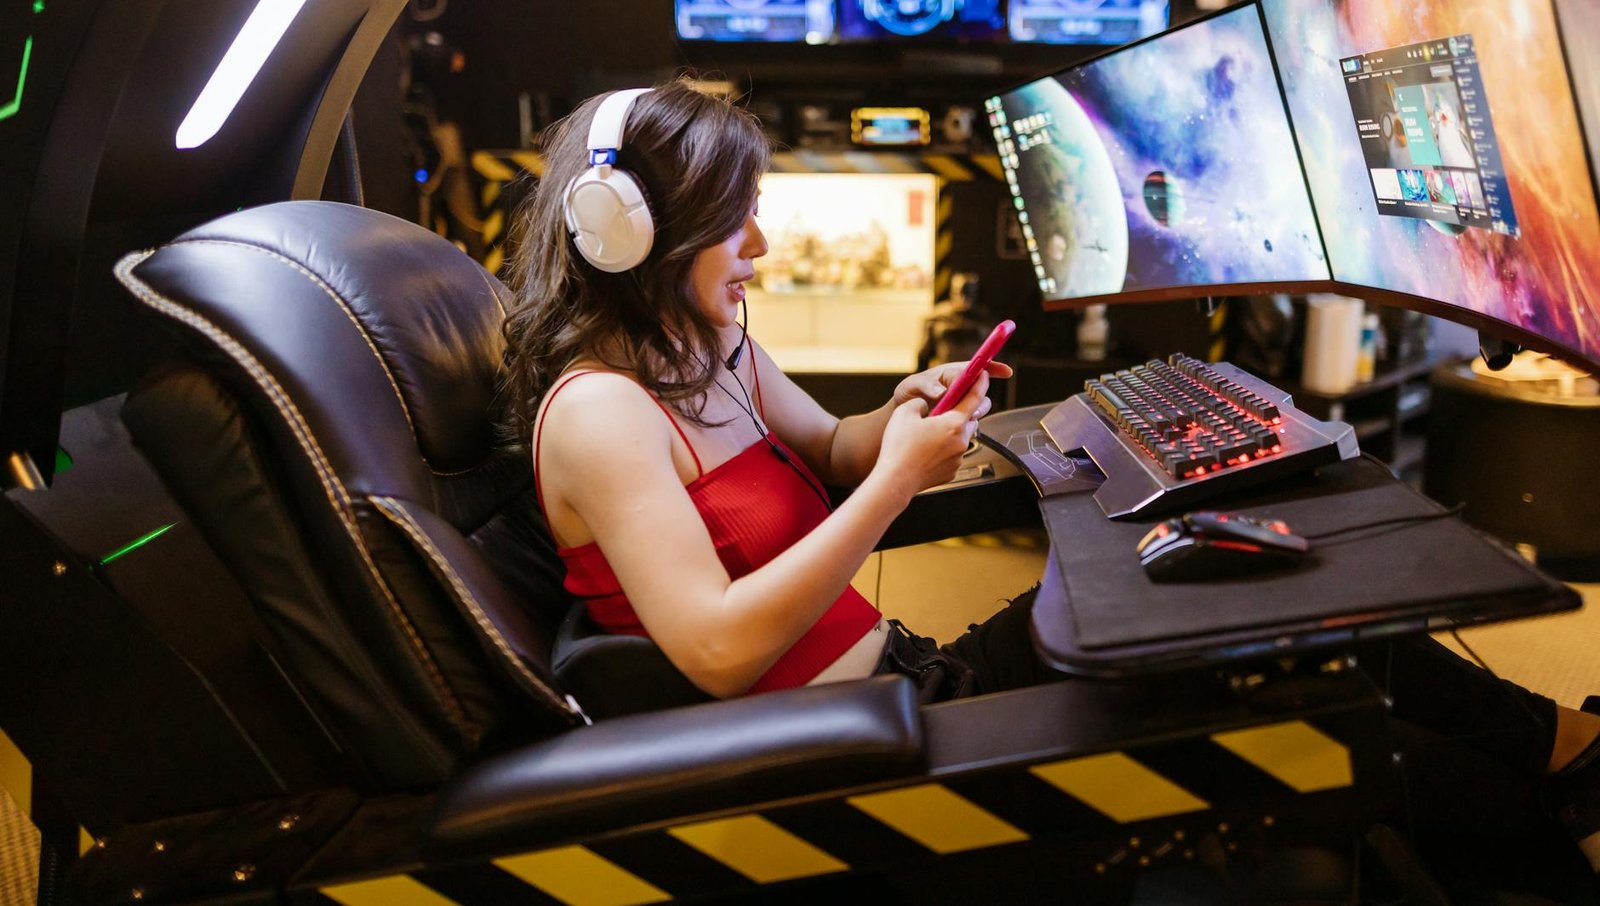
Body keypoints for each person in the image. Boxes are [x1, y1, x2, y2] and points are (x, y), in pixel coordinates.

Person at [499, 80, 1600, 877]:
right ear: (629, 236)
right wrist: (895, 484)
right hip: (864, 739)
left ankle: (1567, 751)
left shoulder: (708, 348)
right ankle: (1561, 802)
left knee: (1271, 608)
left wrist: (900, 411)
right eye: (731, 222)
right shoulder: (602, 414)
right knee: (1312, 719)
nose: (761, 242)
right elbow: (721, 647)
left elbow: (829, 447)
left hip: (912, 674)